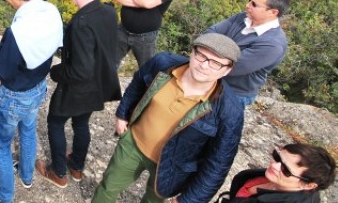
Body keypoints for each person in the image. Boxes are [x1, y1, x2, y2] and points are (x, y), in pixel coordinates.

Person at [91, 33, 245, 203]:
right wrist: (122, 114)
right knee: (108, 187)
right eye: (201, 55)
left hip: (173, 168)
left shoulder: (230, 111)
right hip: (133, 144)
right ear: (192, 53)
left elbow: (218, 164)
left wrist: (189, 200)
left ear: (227, 70)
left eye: (216, 63)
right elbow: (138, 82)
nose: (204, 66)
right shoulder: (163, 64)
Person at [0, 0, 63, 203]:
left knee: (1, 146)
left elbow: (4, 71)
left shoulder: (17, 31)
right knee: (28, 130)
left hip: (15, 96)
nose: (5, 2)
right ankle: (26, 175)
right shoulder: (51, 10)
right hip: (38, 88)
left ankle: (3, 195)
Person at [37, 0, 121, 188]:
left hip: (78, 87)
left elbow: (79, 70)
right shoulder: (109, 12)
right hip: (97, 86)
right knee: (81, 123)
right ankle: (76, 167)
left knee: (55, 122)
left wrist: (55, 72)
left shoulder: (81, 24)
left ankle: (58, 173)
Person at [206, 0, 290, 107]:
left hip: (232, 93)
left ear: (273, 12)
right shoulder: (242, 18)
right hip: (210, 79)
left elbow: (232, 67)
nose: (247, 5)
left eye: (254, 4)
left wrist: (207, 52)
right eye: (250, 0)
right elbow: (210, 32)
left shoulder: (273, 44)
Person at [217, 143, 336, 203]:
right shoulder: (277, 181)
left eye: (286, 170)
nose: (274, 165)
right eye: (277, 157)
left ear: (308, 185)